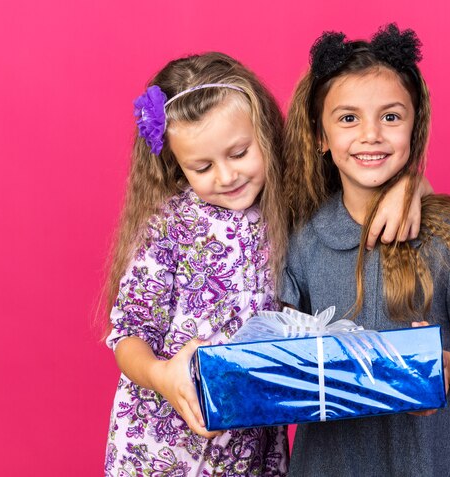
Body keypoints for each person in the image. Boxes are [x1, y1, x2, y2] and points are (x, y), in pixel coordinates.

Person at [102, 52, 428, 476]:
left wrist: (411, 184)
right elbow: (128, 334)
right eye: (201, 167)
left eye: (239, 153)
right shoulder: (170, 226)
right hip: (164, 447)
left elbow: (362, 175)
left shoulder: (290, 205)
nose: (225, 176)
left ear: (264, 135)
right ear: (177, 165)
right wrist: (162, 375)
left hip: (251, 447)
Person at [281, 24, 450, 476]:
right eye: (348, 118)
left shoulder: (449, 236)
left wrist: (439, 366)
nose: (371, 135)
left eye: (391, 117)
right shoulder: (303, 241)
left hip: (429, 459)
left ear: (415, 125)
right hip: (331, 461)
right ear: (320, 136)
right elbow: (282, 355)